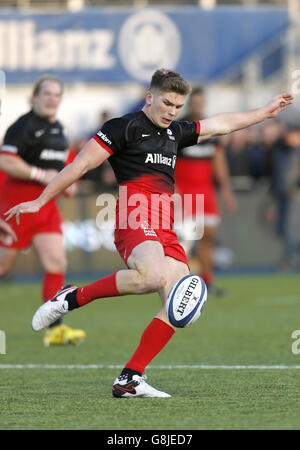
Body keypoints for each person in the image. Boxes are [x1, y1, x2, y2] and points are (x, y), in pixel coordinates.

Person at [5, 69, 293, 398]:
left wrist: (265, 112)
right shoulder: (123, 128)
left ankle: (130, 378)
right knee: (153, 276)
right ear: (150, 97)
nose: (172, 111)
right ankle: (71, 297)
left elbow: (221, 124)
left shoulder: (175, 132)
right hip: (134, 215)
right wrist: (41, 200)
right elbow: (80, 166)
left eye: (178, 106)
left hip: (165, 226)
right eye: (167, 103)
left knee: (179, 305)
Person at [0, 75, 86, 347]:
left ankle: (55, 328)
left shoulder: (61, 131)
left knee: (56, 264)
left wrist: (69, 184)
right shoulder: (23, 126)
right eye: (46, 94)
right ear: (35, 97)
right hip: (16, 208)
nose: (51, 99)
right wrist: (42, 174)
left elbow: (70, 166)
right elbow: (6, 161)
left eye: (56, 95)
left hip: (46, 209)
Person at [175, 87, 236, 296]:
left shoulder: (212, 130)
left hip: (206, 192)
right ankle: (179, 284)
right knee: (184, 241)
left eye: (201, 102)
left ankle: (206, 282)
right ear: (189, 104)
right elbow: (168, 161)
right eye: (194, 102)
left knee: (208, 237)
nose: (197, 106)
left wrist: (226, 190)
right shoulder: (179, 129)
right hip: (184, 194)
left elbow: (219, 162)